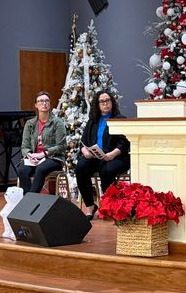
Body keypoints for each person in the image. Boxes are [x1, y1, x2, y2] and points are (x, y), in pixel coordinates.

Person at [74, 90, 130, 220]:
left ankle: (110, 206)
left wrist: (112, 154)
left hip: (116, 157)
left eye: (107, 100)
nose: (105, 104)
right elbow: (83, 141)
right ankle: (90, 206)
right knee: (81, 168)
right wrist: (85, 151)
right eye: (102, 102)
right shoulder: (93, 121)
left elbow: (124, 143)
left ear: (112, 102)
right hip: (95, 157)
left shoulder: (120, 119)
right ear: (97, 105)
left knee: (106, 169)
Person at [18, 91, 67, 194]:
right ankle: (29, 202)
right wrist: (30, 155)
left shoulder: (57, 122)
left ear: (50, 104)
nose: (44, 103)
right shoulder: (30, 123)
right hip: (34, 157)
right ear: (36, 105)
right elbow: (24, 146)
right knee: (22, 169)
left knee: (40, 169)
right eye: (40, 101)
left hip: (53, 158)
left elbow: (62, 146)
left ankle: (29, 201)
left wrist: (43, 154)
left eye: (46, 101)